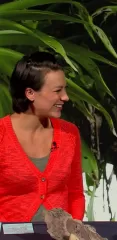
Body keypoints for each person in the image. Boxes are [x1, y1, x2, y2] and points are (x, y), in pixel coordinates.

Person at [0, 51, 85, 222]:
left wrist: (74, 231)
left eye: (65, 89)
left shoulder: (69, 134)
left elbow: (75, 193)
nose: (65, 97)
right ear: (30, 93)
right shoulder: (2, 134)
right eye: (57, 91)